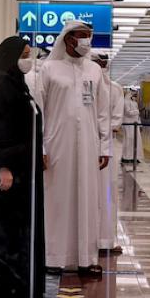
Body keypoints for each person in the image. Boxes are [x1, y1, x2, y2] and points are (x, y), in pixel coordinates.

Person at [0, 37, 46, 298]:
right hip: (8, 173)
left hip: (22, 170)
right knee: (5, 231)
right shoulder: (0, 85)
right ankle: (4, 287)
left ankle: (19, 284)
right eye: (23, 55)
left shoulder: (15, 84)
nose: (27, 60)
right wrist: (3, 166)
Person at [39, 19, 111, 277]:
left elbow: (102, 111)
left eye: (89, 36)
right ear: (68, 38)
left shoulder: (94, 70)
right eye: (82, 36)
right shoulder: (49, 69)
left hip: (89, 146)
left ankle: (86, 258)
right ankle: (54, 257)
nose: (86, 41)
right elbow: (40, 111)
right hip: (57, 144)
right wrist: (41, 147)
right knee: (57, 199)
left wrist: (105, 147)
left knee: (88, 199)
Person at [95, 53, 126, 256]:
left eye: (101, 63)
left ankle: (106, 239)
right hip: (85, 146)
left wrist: (100, 134)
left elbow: (116, 121)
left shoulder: (114, 89)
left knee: (108, 194)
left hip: (108, 146)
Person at [122, 87, 143, 166]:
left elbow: (138, 116)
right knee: (129, 140)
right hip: (128, 124)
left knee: (136, 141)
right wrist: (138, 111)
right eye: (134, 94)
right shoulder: (125, 102)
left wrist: (140, 124)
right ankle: (127, 157)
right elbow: (128, 112)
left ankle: (135, 157)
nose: (135, 96)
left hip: (135, 125)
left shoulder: (135, 103)